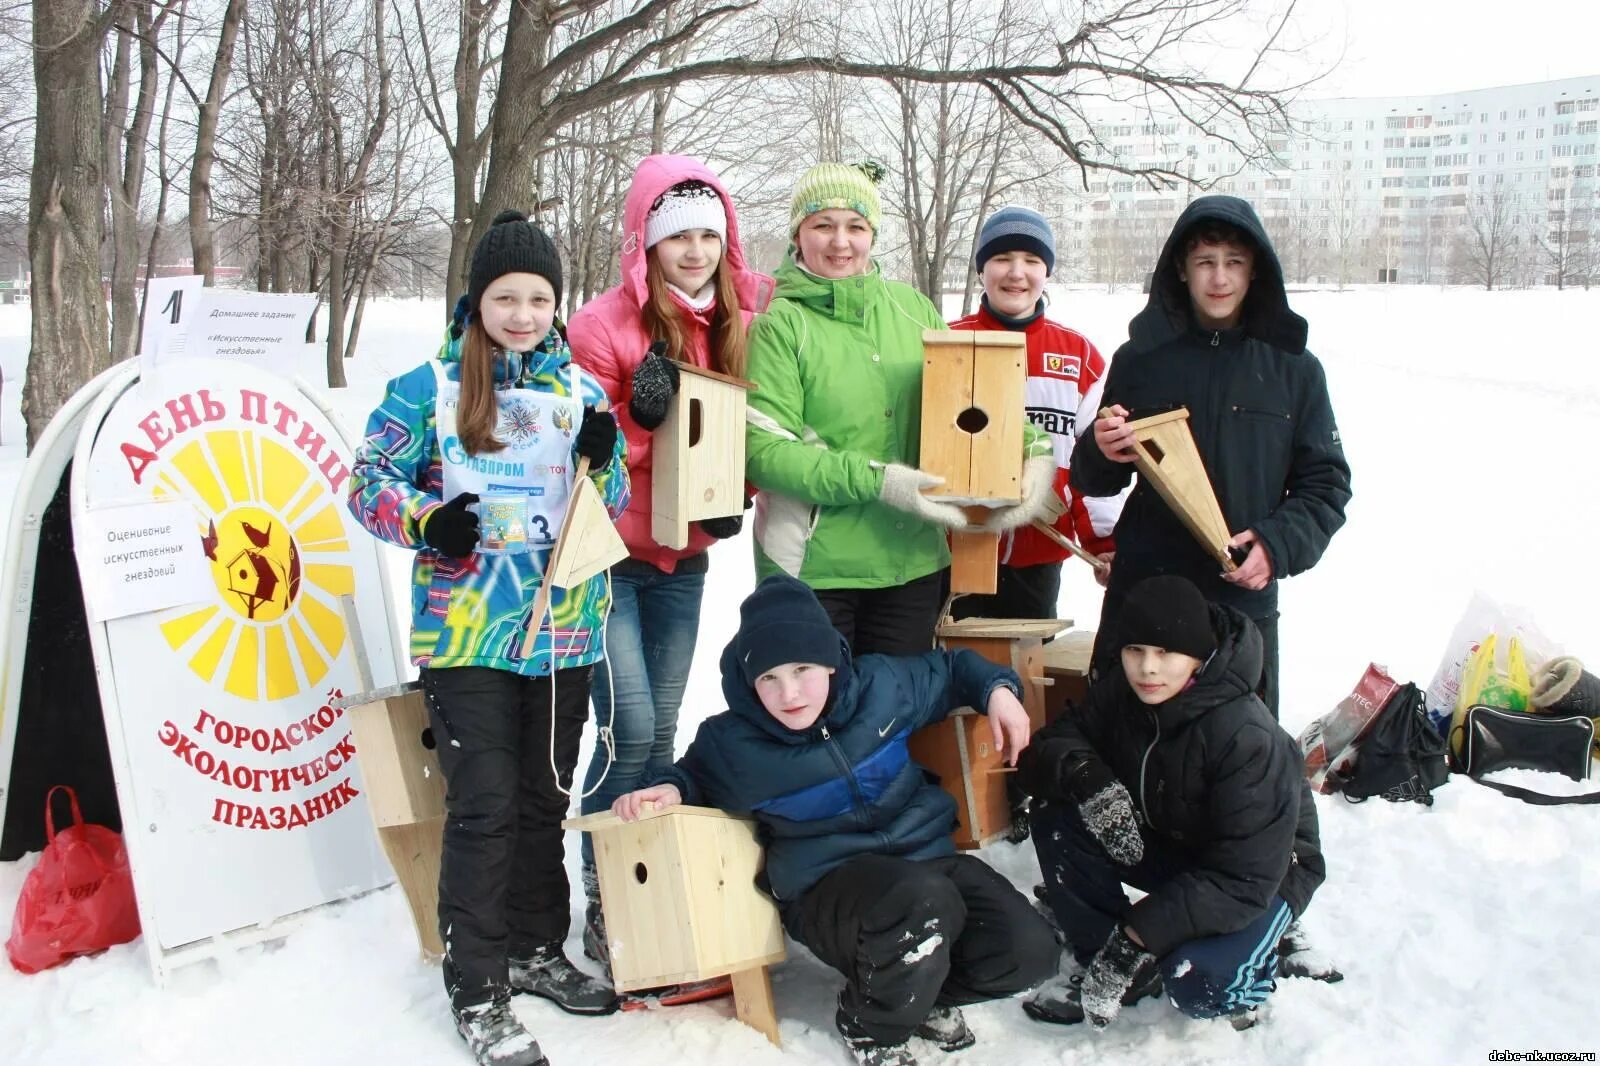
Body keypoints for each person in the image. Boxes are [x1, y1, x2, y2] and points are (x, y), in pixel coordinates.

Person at [347, 210, 630, 1066]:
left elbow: (605, 509)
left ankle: (537, 947)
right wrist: (430, 520)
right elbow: (366, 485)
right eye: (506, 296)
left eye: (539, 298)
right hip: (467, 632)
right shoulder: (423, 388)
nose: (523, 313)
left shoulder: (578, 391)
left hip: (560, 631)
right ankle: (479, 985)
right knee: (485, 807)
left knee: (546, 798)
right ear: (477, 298)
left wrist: (605, 456)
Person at [612, 574, 1059, 1066]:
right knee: (919, 902)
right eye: (768, 678)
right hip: (829, 890)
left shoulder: (882, 687)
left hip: (925, 860)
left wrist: (998, 691)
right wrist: (668, 788)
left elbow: (952, 670)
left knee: (1029, 949)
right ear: (748, 682)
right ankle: (872, 1024)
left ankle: (919, 997)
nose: (789, 693)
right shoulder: (735, 744)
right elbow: (689, 776)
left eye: (803, 668)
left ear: (830, 659)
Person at [566, 155, 771, 967]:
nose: (694, 251)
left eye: (708, 236)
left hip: (682, 558)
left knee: (660, 737)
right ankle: (598, 891)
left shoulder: (736, 321)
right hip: (608, 551)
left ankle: (639, 886)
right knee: (630, 728)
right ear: (645, 242)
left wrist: (738, 490)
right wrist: (638, 418)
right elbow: (580, 445)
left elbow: (746, 428)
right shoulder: (601, 324)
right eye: (677, 235)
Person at [744, 162, 1055, 657]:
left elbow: (971, 397)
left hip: (913, 564)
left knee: (898, 720)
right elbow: (766, 454)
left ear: (873, 234)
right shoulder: (779, 327)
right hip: (815, 568)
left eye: (856, 227)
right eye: (823, 224)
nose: (840, 242)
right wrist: (881, 480)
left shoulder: (913, 309)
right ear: (797, 235)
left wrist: (1032, 451)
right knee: (820, 724)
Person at [1070, 195, 1351, 720]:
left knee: (1238, 757)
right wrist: (1100, 448)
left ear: (1255, 271)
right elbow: (1094, 477)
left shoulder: (1294, 368)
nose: (1219, 278)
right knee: (1126, 744)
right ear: (1181, 269)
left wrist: (1275, 544)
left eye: (1234, 262)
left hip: (1237, 604)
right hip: (1147, 595)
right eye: (1205, 262)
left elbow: (1326, 485)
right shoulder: (1142, 358)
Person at [1015, 575, 1326, 1031]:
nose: (1147, 669)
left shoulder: (1246, 736)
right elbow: (1050, 747)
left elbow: (1242, 877)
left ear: (1198, 656)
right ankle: (1104, 959)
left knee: (1200, 983)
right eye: (1135, 650)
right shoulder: (1123, 693)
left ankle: (1257, 956)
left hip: (1266, 872)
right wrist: (1090, 778)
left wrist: (1135, 937)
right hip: (1175, 841)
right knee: (1058, 809)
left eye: (1166, 653)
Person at [948, 205, 1122, 621]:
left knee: (1026, 671)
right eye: (1002, 259)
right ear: (981, 270)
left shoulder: (1078, 356)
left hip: (1039, 554)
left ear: (1047, 272)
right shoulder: (947, 344)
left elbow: (1095, 462)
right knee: (952, 670)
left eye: (1031, 260)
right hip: (956, 548)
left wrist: (1104, 544)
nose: (1016, 272)